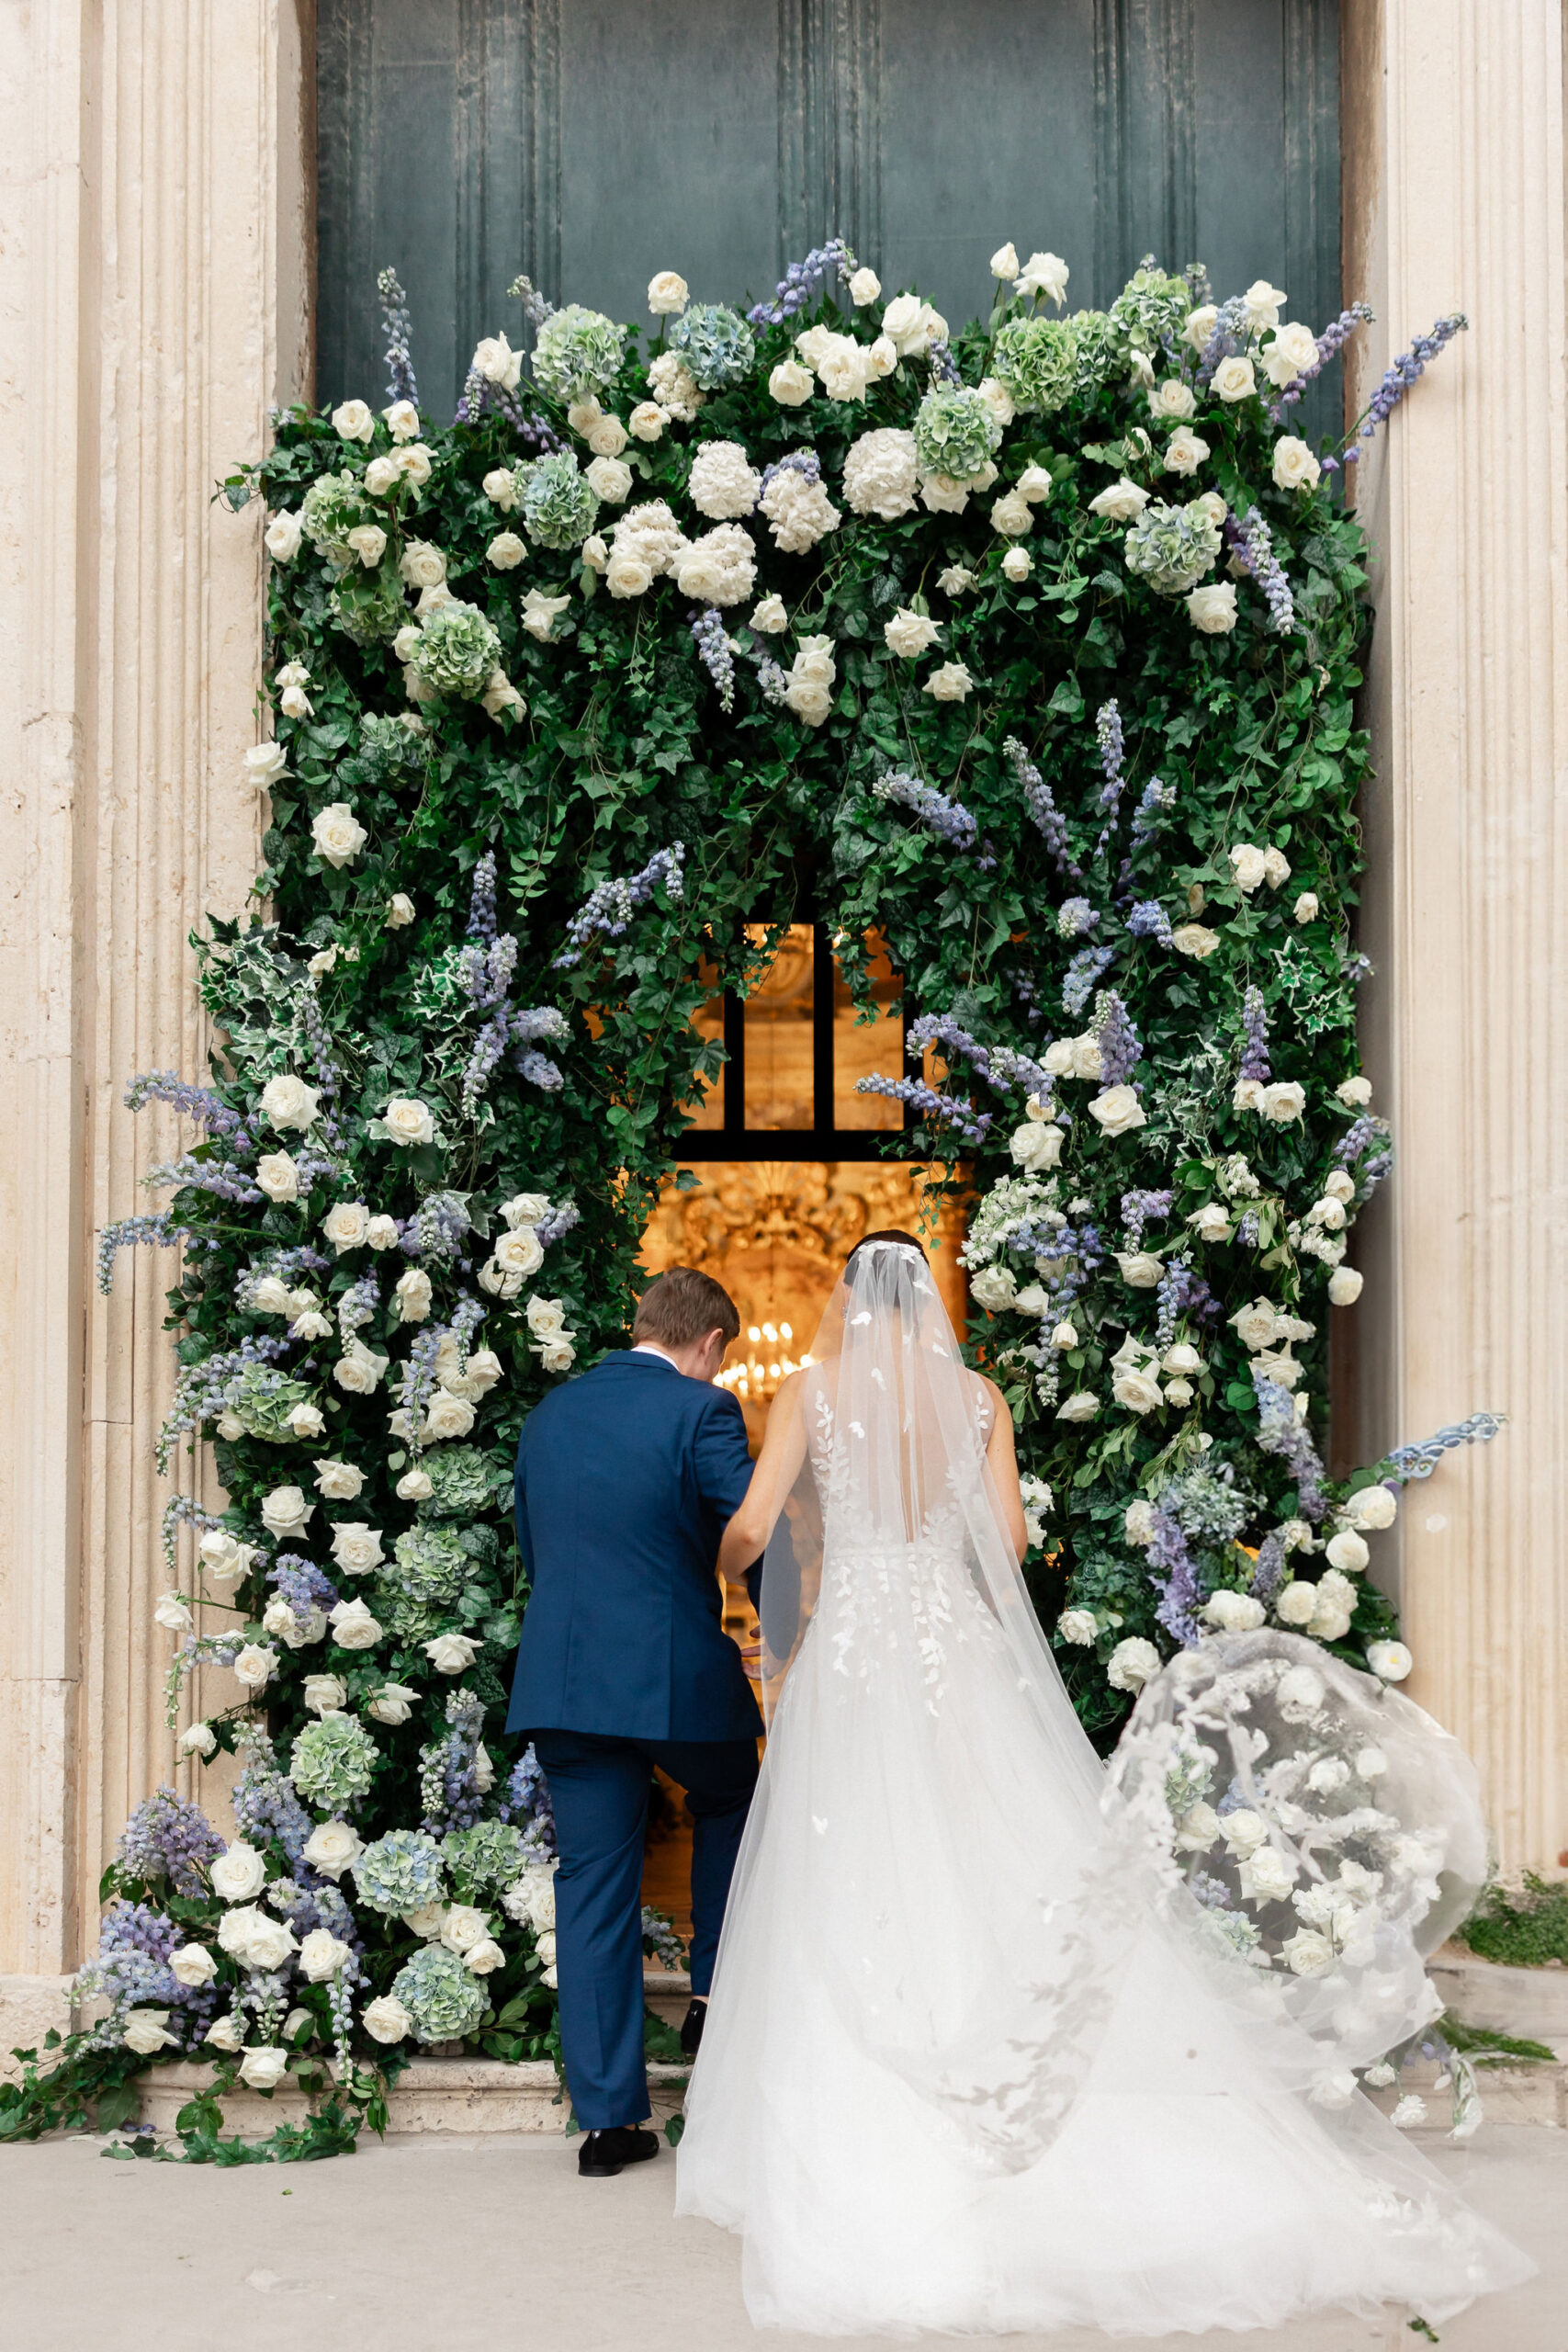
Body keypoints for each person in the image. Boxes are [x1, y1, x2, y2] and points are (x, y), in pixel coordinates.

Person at [674, 1231, 1533, 2336]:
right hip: (952, 1647)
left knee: (848, 1857)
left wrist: (726, 1563)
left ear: (845, 1295)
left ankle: (861, 2104)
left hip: (857, 1650)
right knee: (993, 1838)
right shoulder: (978, 1394)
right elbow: (1013, 1540)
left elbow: (751, 1525)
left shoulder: (811, 1387)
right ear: (928, 1298)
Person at [505, 1264, 761, 2179]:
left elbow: (539, 1548)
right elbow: (751, 1532)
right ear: (708, 1343)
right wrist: (796, 1633)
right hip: (672, 1681)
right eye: (719, 1357)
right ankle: (711, 1988)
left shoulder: (551, 1416)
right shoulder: (703, 1412)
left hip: (567, 1687)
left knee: (593, 1886)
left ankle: (610, 2124)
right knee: (739, 1792)